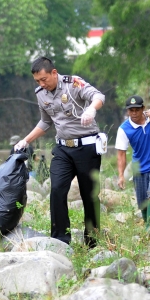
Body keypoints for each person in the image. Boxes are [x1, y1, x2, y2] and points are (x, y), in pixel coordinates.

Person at [14, 57, 105, 247]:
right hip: (63, 148)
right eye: (37, 81)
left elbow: (98, 96)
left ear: (54, 73)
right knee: (56, 189)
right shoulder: (41, 94)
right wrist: (26, 140)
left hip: (86, 147)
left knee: (89, 195)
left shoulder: (73, 84)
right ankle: (60, 240)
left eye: (44, 79)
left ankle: (92, 240)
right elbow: (46, 122)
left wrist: (91, 110)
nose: (41, 84)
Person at [116, 95, 150, 231]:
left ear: (143, 109)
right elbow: (121, 154)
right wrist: (121, 175)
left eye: (137, 110)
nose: (134, 113)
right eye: (131, 110)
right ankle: (147, 223)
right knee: (142, 201)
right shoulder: (124, 129)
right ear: (127, 111)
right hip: (139, 166)